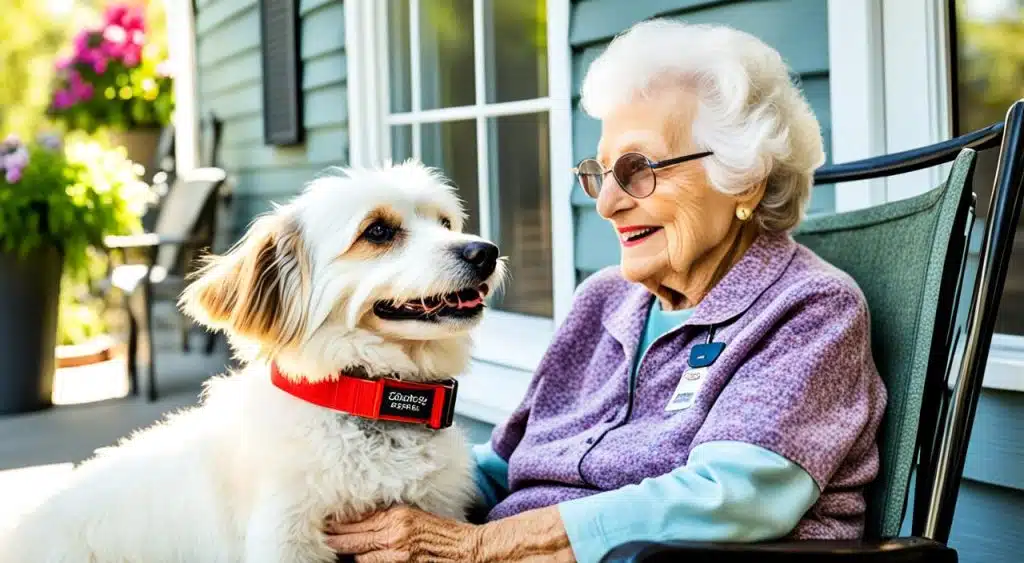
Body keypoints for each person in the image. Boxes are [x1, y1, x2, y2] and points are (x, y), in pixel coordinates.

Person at [328, 18, 887, 563]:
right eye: (600, 173)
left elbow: (733, 498)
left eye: (639, 169)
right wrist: (346, 487)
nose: (606, 204)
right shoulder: (605, 299)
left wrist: (481, 548)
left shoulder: (809, 310)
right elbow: (506, 466)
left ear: (745, 177)